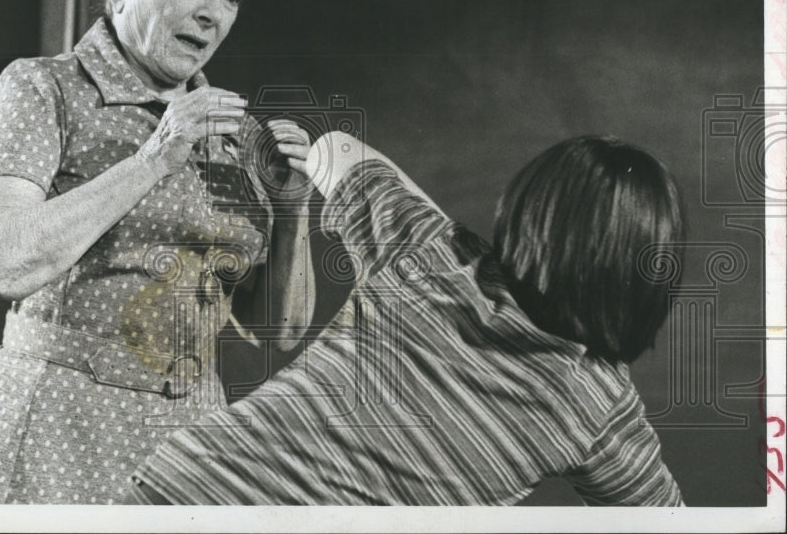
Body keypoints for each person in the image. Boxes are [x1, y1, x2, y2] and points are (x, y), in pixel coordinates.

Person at [0, 0, 315, 504]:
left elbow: (278, 330)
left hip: (190, 439)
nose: (214, 12)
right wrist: (154, 158)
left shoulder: (235, 134)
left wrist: (292, 215)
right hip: (54, 426)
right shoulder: (44, 89)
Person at [127, 132, 686, 505]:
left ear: (524, 213)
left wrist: (445, 233)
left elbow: (333, 149)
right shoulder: (599, 405)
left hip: (183, 486)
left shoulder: (427, 249)